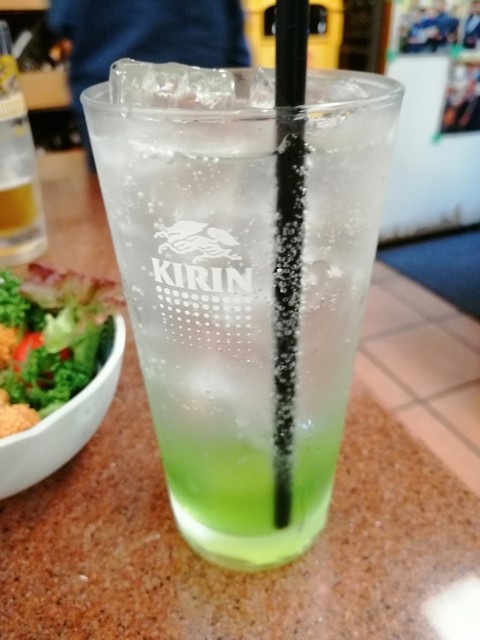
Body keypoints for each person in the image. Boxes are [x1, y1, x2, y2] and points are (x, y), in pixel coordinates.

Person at [43, 0, 251, 171]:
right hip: (205, 102)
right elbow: (234, 30)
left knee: (127, 194)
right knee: (207, 192)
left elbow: (62, 19)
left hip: (113, 103)